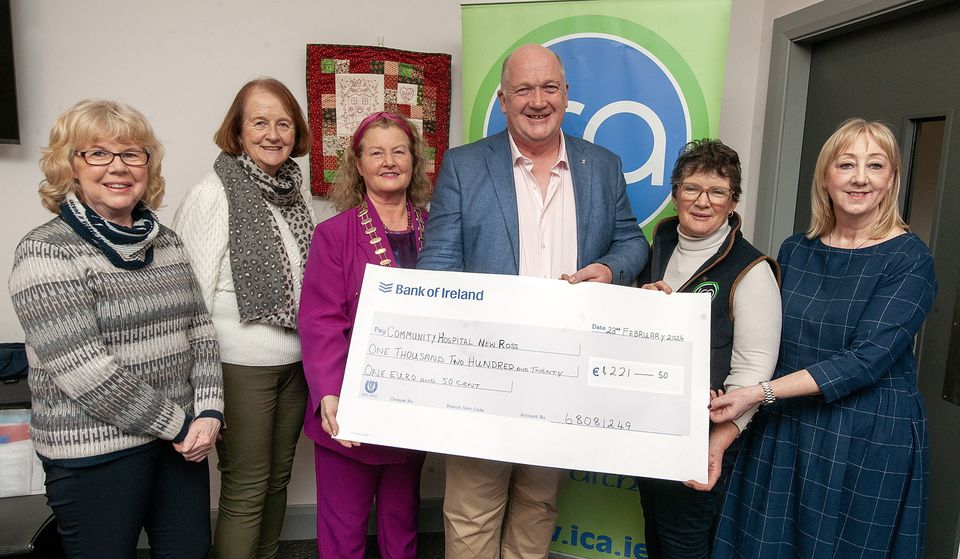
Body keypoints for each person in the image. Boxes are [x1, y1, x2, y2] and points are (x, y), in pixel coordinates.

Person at [418, 43, 648, 559]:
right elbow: (437, 268)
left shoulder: (603, 166)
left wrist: (610, 269)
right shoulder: (463, 167)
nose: (537, 100)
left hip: (563, 373)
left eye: (549, 88)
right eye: (524, 89)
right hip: (483, 372)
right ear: (503, 99)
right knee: (472, 511)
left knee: (538, 505)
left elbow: (632, 241)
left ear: (567, 95)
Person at [709, 118, 938, 557]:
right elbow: (762, 338)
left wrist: (761, 393)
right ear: (826, 176)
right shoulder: (797, 249)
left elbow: (865, 360)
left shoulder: (910, 259)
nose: (859, 178)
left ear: (891, 180)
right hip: (787, 429)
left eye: (875, 165)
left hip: (867, 437)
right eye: (846, 163)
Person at [8, 99, 223, 558]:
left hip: (180, 446)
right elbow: (86, 372)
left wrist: (209, 411)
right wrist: (180, 424)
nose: (118, 167)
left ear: (149, 165)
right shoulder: (46, 253)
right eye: (97, 154)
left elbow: (201, 332)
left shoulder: (167, 242)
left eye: (132, 154)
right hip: (95, 451)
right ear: (71, 166)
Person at [172, 78, 314, 559]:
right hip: (237, 365)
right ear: (237, 129)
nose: (273, 134)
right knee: (247, 487)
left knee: (278, 479)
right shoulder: (212, 194)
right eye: (260, 122)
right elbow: (187, 299)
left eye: (284, 123)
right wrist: (199, 381)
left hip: (295, 361)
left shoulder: (295, 196)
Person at [635, 139, 781, 559]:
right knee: (657, 535)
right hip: (651, 428)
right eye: (692, 188)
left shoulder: (751, 270)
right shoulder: (660, 242)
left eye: (717, 191)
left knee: (686, 545)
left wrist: (717, 440)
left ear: (733, 202)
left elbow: (754, 369)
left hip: (703, 439)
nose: (703, 202)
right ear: (675, 192)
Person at [299, 111, 430, 558]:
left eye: (399, 151)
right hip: (351, 405)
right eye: (377, 152)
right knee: (344, 531)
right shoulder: (333, 234)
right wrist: (330, 395)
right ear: (358, 164)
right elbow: (320, 322)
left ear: (415, 161)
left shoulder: (437, 230)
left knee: (402, 523)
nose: (389, 161)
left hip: (412, 404)